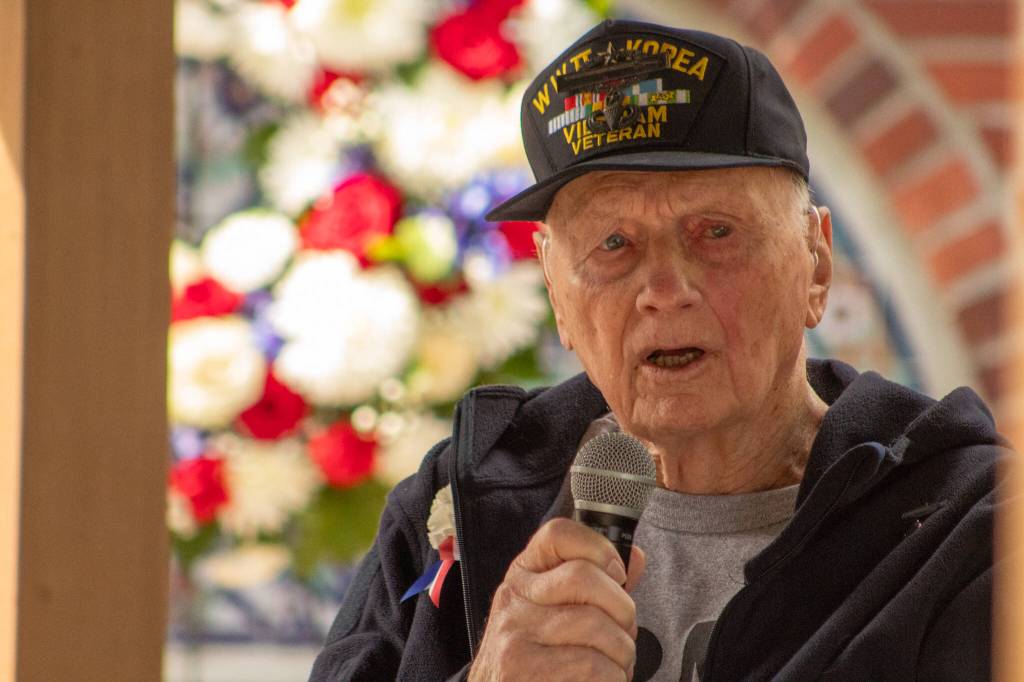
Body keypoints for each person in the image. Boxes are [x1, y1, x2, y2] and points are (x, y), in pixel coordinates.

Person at [311, 19, 1009, 681]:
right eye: (613, 245)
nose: (664, 290)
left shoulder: (968, 531)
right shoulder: (456, 505)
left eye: (717, 232)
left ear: (816, 264)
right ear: (557, 294)